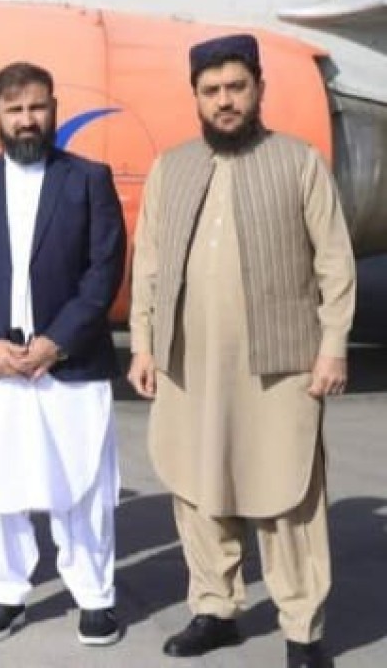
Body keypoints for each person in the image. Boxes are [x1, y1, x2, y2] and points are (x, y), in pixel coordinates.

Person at [128, 34, 355, 668]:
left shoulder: (299, 161)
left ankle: (302, 629)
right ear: (196, 97)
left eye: (236, 87)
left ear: (259, 89)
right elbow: (148, 266)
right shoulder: (172, 167)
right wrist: (143, 344)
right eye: (212, 91)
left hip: (280, 365)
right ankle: (215, 609)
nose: (225, 101)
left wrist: (333, 347)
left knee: (287, 494)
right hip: (188, 364)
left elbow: (335, 264)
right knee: (199, 486)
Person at [0, 62, 126, 646]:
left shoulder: (88, 179)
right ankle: (5, 593)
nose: (27, 120)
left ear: (54, 109)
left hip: (68, 362)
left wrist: (57, 340)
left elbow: (104, 270)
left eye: (37, 108)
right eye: (15, 109)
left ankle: (94, 596)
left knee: (83, 485)